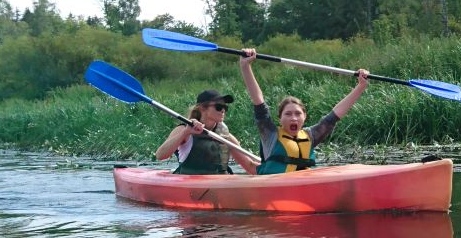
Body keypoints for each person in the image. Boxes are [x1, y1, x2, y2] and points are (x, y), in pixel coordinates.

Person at [238, 48, 368, 174]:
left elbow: (335, 115)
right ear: (280, 118)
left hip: (304, 186)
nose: (293, 118)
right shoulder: (270, 135)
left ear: (304, 116)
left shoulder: (311, 135)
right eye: (288, 114)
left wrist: (361, 86)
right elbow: (259, 102)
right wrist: (245, 66)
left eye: (298, 114)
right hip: (275, 186)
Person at [154, 89, 259, 174]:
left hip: (218, 188)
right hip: (190, 188)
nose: (223, 110)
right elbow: (160, 155)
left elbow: (250, 166)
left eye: (225, 108)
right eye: (218, 107)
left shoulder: (226, 137)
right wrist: (185, 132)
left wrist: (272, 168)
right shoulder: (184, 130)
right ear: (202, 108)